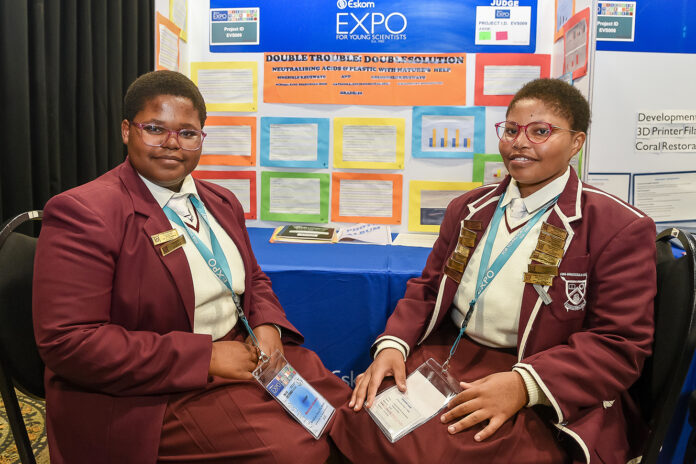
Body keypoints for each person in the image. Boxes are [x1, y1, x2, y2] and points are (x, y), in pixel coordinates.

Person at [330, 78, 656, 464]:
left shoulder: (618, 226)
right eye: (512, 130)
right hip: (451, 351)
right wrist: (393, 345)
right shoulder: (469, 208)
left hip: (539, 372)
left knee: (450, 451)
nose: (520, 143)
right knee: (361, 417)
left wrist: (523, 385)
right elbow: (429, 288)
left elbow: (619, 343)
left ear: (576, 143)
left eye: (540, 131)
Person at [33, 70, 351, 464]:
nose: (172, 143)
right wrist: (206, 358)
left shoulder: (221, 201)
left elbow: (252, 279)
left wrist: (267, 324)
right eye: (155, 129)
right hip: (149, 393)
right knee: (293, 452)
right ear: (126, 131)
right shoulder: (84, 212)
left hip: (240, 354)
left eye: (187, 133)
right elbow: (69, 343)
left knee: (346, 414)